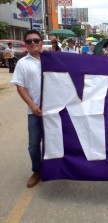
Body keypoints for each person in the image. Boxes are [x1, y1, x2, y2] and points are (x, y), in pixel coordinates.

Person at [11, 30, 44, 188]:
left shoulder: (52, 60)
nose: (33, 43)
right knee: (33, 145)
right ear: (25, 44)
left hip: (55, 112)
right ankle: (37, 171)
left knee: (60, 142)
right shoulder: (22, 63)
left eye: (35, 40)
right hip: (35, 112)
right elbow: (20, 87)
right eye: (29, 41)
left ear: (41, 42)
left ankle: (58, 169)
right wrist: (33, 106)